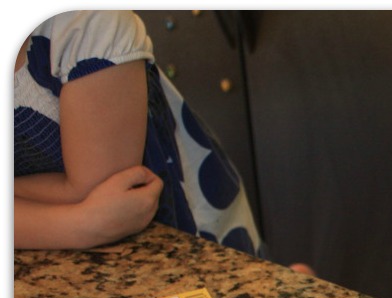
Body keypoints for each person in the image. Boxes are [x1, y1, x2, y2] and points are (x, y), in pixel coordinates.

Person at [14, 10, 262, 256]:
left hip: (182, 245)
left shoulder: (88, 24)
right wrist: (80, 225)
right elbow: (93, 218)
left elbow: (102, 197)